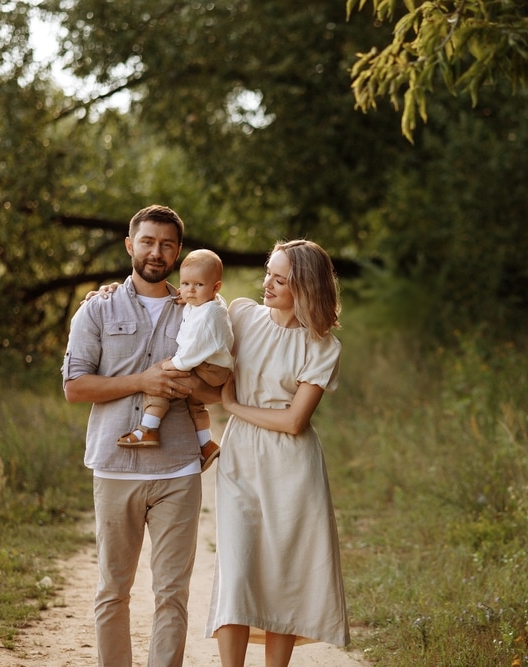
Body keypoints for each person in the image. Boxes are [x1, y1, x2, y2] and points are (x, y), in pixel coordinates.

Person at [62, 204, 220, 667]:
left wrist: (190, 386)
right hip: (114, 468)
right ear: (130, 245)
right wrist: (142, 381)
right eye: (148, 241)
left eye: (167, 244)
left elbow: (220, 386)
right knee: (113, 591)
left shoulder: (199, 311)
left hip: (178, 469)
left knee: (172, 593)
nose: (157, 251)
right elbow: (75, 387)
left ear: (178, 252)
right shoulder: (97, 308)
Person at [206, 239, 350, 667]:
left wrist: (231, 407)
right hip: (240, 459)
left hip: (292, 466)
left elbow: (294, 422)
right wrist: (110, 293)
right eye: (269, 272)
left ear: (304, 287)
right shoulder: (242, 315)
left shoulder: (322, 346)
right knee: (236, 572)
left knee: (281, 576)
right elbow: (188, 307)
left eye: (280, 278)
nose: (267, 282)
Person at [116, 248, 234, 472]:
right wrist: (191, 296)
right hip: (215, 366)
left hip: (209, 367)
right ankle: (206, 444)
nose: (189, 290)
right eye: (186, 283)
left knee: (160, 379)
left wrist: (173, 365)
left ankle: (148, 428)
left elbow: (192, 350)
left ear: (215, 287)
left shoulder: (208, 315)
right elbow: (197, 301)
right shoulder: (209, 303)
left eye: (198, 285)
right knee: (195, 404)